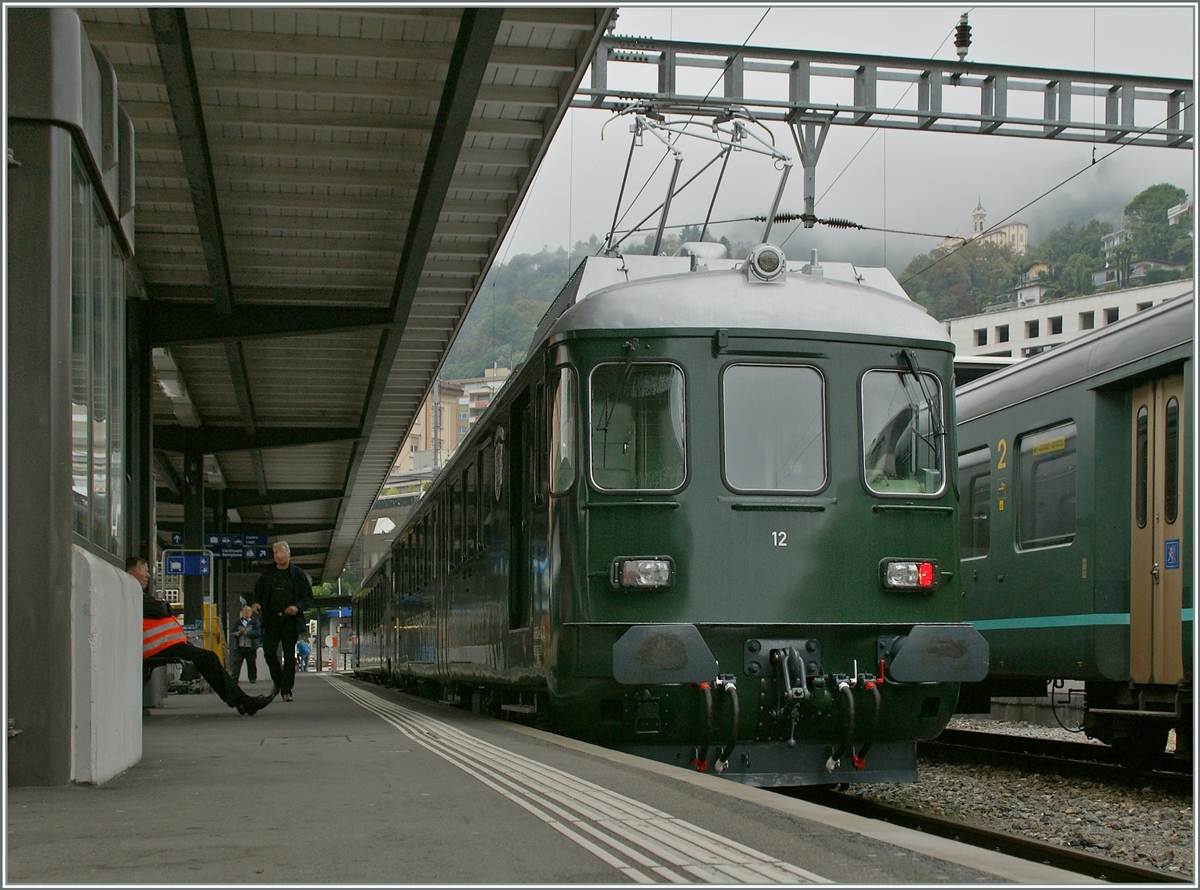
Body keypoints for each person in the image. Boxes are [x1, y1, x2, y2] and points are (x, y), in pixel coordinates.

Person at [129, 557, 273, 717]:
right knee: (208, 658)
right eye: (145, 570)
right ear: (131, 572)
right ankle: (243, 701)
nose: (148, 575)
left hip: (163, 645)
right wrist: (161, 605)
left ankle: (242, 701)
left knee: (207, 659)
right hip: (158, 646)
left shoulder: (135, 592)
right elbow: (160, 608)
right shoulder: (131, 592)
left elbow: (160, 607)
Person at [252, 542, 313, 702]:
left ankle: (287, 690)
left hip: (290, 621)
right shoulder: (267, 575)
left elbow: (308, 598)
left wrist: (297, 607)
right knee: (269, 652)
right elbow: (257, 593)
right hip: (271, 619)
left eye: (282, 554)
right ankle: (278, 681)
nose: (279, 557)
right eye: (276, 554)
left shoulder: (298, 574)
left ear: (288, 554)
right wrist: (256, 603)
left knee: (288, 654)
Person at [229, 604, 262, 683]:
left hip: (251, 647)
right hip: (239, 647)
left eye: (248, 611)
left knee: (251, 663)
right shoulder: (237, 622)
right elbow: (231, 632)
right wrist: (235, 634)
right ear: (242, 612)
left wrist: (248, 633)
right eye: (245, 611)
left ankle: (252, 678)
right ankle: (235, 678)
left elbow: (258, 632)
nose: (246, 612)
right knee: (237, 663)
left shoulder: (255, 622)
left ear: (251, 612)